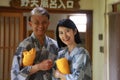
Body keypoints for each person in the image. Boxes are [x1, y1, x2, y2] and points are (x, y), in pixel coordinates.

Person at [11, 7, 59, 80]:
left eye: (44, 22)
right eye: (36, 23)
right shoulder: (24, 45)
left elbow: (59, 70)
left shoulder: (55, 45)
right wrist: (38, 66)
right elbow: (15, 74)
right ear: (30, 24)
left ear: (48, 23)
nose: (40, 26)